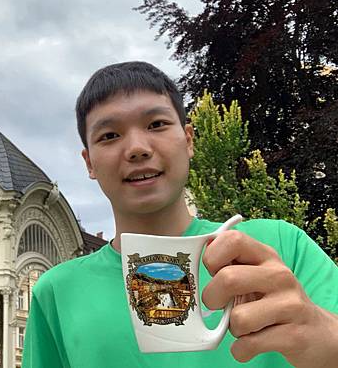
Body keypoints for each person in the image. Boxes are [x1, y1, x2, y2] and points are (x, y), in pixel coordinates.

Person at [21, 61, 338, 368]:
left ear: (188, 140)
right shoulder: (55, 293)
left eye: (156, 124)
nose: (137, 148)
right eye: (109, 135)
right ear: (89, 163)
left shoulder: (280, 247)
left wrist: (319, 334)